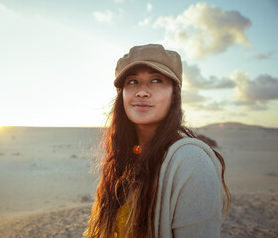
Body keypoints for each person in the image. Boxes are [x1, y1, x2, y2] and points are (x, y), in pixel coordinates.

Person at [84, 44, 230, 238]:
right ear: (122, 95)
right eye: (133, 81)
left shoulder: (191, 161)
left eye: (156, 80)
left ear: (174, 94)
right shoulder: (122, 161)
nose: (142, 92)